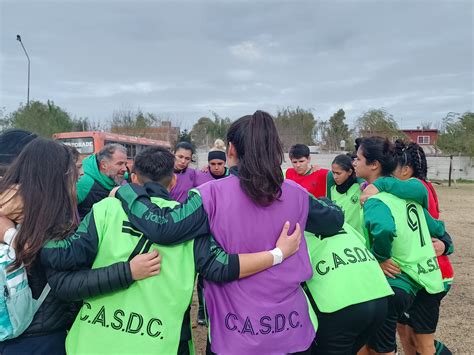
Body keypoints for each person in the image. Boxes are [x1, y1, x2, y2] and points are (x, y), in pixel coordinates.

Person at [113, 111, 345, 353]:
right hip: (292, 331)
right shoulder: (297, 193)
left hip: (235, 335)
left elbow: (163, 227)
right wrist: (327, 202)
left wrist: (127, 191)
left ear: (231, 150)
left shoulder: (209, 195)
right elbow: (334, 219)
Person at [41, 145, 302, 354]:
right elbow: (222, 266)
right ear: (174, 181)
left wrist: (28, 227)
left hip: (93, 342)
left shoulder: (106, 209)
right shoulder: (189, 223)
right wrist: (277, 254)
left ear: (133, 179)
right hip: (160, 341)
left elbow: (60, 255)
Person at [0, 138, 158, 355]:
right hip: (41, 336)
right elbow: (66, 285)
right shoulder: (47, 219)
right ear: (54, 175)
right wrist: (128, 271)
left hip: (9, 331)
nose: (80, 174)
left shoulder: (9, 208)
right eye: (73, 169)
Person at [353, 136, 448, 355]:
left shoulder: (376, 199)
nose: (354, 163)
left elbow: (384, 229)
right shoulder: (407, 197)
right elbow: (437, 227)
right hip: (426, 279)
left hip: (397, 283)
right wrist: (446, 244)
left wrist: (380, 256)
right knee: (417, 345)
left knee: (380, 347)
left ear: (374, 164)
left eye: (358, 158)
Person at [303, 223, 393, 354]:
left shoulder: (293, 225)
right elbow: (362, 241)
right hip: (378, 295)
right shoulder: (340, 221)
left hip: (340, 305)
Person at [194, 138, 230, 325]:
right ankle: (202, 309)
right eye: (212, 164)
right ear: (208, 164)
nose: (216, 167)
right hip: (206, 231)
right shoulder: (200, 177)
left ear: (225, 163)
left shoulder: (232, 177)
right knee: (204, 272)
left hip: (227, 232)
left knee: (226, 269)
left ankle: (223, 309)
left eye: (219, 163)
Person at [76, 143, 128, 219]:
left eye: (125, 164)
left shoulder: (122, 177)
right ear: (104, 165)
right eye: (119, 164)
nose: (125, 169)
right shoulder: (84, 182)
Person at [329, 154, 364, 236]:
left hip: (357, 237)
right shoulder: (332, 189)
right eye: (333, 173)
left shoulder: (359, 188)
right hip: (340, 237)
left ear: (349, 172)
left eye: (338, 173)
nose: (335, 177)